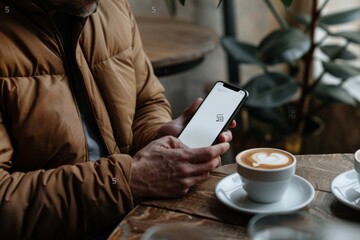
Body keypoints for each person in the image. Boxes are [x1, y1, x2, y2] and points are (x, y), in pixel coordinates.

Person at [0, 0, 234, 239]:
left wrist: (158, 137)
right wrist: (128, 180)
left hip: (131, 217)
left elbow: (146, 102)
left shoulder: (113, 6)